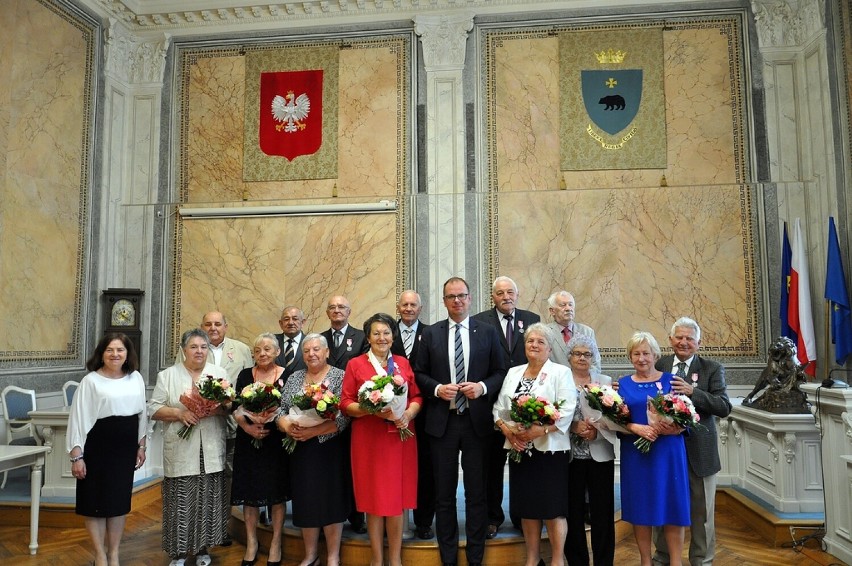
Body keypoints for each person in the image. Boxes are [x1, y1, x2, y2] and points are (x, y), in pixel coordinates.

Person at [414, 277, 507, 566]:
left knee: (476, 494)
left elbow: (501, 370)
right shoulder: (430, 334)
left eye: (462, 295)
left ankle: (475, 557)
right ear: (444, 301)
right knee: (444, 495)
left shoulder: (488, 332)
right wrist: (436, 389)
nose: (457, 300)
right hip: (442, 423)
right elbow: (418, 372)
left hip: (477, 424)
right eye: (451, 296)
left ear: (470, 298)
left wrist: (482, 387)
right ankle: (449, 557)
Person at [342, 312, 422, 566]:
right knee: (374, 500)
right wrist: (370, 409)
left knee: (396, 501)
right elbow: (345, 402)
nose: (382, 337)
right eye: (376, 333)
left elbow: (417, 397)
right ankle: (377, 560)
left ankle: (396, 559)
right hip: (369, 440)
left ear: (393, 336)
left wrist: (407, 413)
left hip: (400, 438)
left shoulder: (402, 364)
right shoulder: (356, 364)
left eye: (386, 332)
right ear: (368, 337)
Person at [492, 323, 575, 566]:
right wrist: (507, 430)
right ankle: (532, 557)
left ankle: (558, 559)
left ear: (549, 348)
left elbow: (567, 408)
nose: (534, 345)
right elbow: (499, 407)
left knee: (553, 507)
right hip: (520, 449)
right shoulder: (514, 372)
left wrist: (542, 429)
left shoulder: (561, 372)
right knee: (527, 507)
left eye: (540, 342)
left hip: (550, 449)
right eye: (530, 341)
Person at [652, 317, 731, 566]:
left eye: (689, 338)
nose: (684, 342)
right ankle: (662, 557)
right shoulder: (659, 364)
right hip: (664, 450)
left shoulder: (712, 368)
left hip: (701, 452)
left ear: (698, 343)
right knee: (664, 506)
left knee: (702, 512)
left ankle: (702, 560)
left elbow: (724, 406)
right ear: (670, 340)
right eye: (679, 337)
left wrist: (692, 392)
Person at [150, 329, 230, 566]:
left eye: (203, 347)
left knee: (208, 499)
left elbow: (229, 406)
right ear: (184, 350)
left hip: (211, 447)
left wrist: (214, 408)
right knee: (182, 500)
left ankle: (203, 550)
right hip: (182, 449)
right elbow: (153, 408)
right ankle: (179, 553)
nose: (199, 351)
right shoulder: (168, 376)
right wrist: (179, 412)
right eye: (194, 347)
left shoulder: (219, 374)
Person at [66, 333, 147, 566]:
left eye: (120, 350)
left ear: (127, 353)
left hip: (124, 449)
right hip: (97, 447)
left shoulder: (136, 378)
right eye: (110, 350)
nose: (115, 354)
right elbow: (78, 420)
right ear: (101, 353)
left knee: (117, 504)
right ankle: (100, 555)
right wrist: (77, 456)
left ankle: (114, 553)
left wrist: (141, 445)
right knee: (94, 504)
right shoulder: (90, 381)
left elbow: (142, 413)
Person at [473, 275, 541, 537]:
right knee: (491, 465)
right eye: (500, 293)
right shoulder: (480, 320)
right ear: (493, 297)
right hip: (492, 403)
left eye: (510, 292)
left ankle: (523, 515)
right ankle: (493, 517)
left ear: (517, 293)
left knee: (524, 461)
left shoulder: (532, 318)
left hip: (527, 402)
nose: (506, 297)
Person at [276, 333, 350, 566]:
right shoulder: (295, 377)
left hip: (330, 449)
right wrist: (286, 425)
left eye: (317, 349)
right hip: (301, 450)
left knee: (331, 499)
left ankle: (333, 556)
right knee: (306, 499)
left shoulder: (340, 376)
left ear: (327, 352)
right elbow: (281, 410)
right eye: (307, 351)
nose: (311, 354)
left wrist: (313, 431)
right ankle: (310, 555)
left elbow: (344, 416)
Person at [179, 311, 253, 542]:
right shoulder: (194, 346)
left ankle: (224, 526)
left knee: (227, 475)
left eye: (217, 324)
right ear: (202, 326)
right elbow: (181, 380)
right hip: (198, 425)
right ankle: (199, 527)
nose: (213, 328)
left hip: (232, 424)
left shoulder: (241, 349)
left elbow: (250, 384)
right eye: (208, 324)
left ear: (226, 327)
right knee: (200, 476)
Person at [618, 332, 690, 566]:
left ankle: (676, 562)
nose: (641, 358)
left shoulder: (673, 380)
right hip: (637, 455)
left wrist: (676, 427)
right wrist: (635, 427)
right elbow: (616, 421)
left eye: (646, 353)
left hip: (669, 453)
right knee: (641, 509)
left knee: (672, 507)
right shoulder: (623, 385)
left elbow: (687, 416)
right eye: (636, 353)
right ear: (630, 357)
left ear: (655, 355)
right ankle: (645, 561)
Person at [232, 333, 288, 566]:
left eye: (268, 349)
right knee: (250, 493)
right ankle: (252, 542)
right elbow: (236, 406)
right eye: (258, 350)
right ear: (253, 354)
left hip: (275, 442)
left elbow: (289, 408)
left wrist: (271, 418)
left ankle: (276, 542)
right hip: (249, 440)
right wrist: (248, 426)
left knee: (276, 493)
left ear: (277, 352)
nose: (262, 353)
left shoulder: (287, 375)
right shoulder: (245, 375)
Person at [564, 334, 616, 566]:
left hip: (599, 453)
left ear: (593, 357)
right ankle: (577, 561)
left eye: (587, 354)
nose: (582, 358)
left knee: (602, 513)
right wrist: (573, 426)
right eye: (577, 353)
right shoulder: (560, 379)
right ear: (570, 356)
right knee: (572, 512)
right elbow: (552, 415)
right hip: (570, 456)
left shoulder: (604, 380)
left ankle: (604, 561)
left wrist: (597, 430)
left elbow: (615, 418)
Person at [320, 294, 368, 533]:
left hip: (355, 411)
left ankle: (357, 516)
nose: (337, 310)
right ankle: (330, 512)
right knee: (331, 466)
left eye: (341, 307)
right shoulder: (320, 339)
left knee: (354, 466)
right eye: (332, 307)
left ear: (349, 311)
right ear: (327, 313)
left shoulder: (361, 337)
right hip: (324, 412)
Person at [390, 290, 435, 540]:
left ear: (421, 308)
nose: (408, 308)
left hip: (425, 412)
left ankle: (424, 521)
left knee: (425, 468)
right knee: (393, 468)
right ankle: (391, 518)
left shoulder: (431, 333)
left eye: (413, 305)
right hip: (389, 415)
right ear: (398, 307)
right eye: (404, 304)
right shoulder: (387, 333)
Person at [544, 291, 601, 372]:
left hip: (583, 383)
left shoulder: (587, 332)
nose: (568, 308)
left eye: (570, 305)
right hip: (556, 382)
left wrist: (582, 380)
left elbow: (595, 364)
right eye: (563, 305)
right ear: (552, 311)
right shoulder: (545, 333)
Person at [274, 306, 307, 379]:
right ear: (281, 323)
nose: (291, 322)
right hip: (272, 388)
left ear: (303, 322)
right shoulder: (271, 342)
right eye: (286, 319)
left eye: (295, 319)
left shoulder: (310, 343)